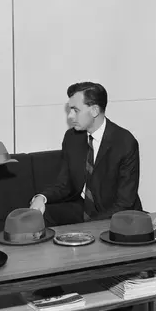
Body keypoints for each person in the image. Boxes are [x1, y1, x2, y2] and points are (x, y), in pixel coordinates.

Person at [30, 81, 142, 226]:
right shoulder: (72, 138)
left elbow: (125, 203)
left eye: (75, 110)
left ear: (94, 110)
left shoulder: (124, 142)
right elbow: (64, 184)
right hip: (83, 207)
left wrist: (86, 228)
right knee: (43, 214)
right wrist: (41, 197)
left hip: (116, 214)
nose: (70, 116)